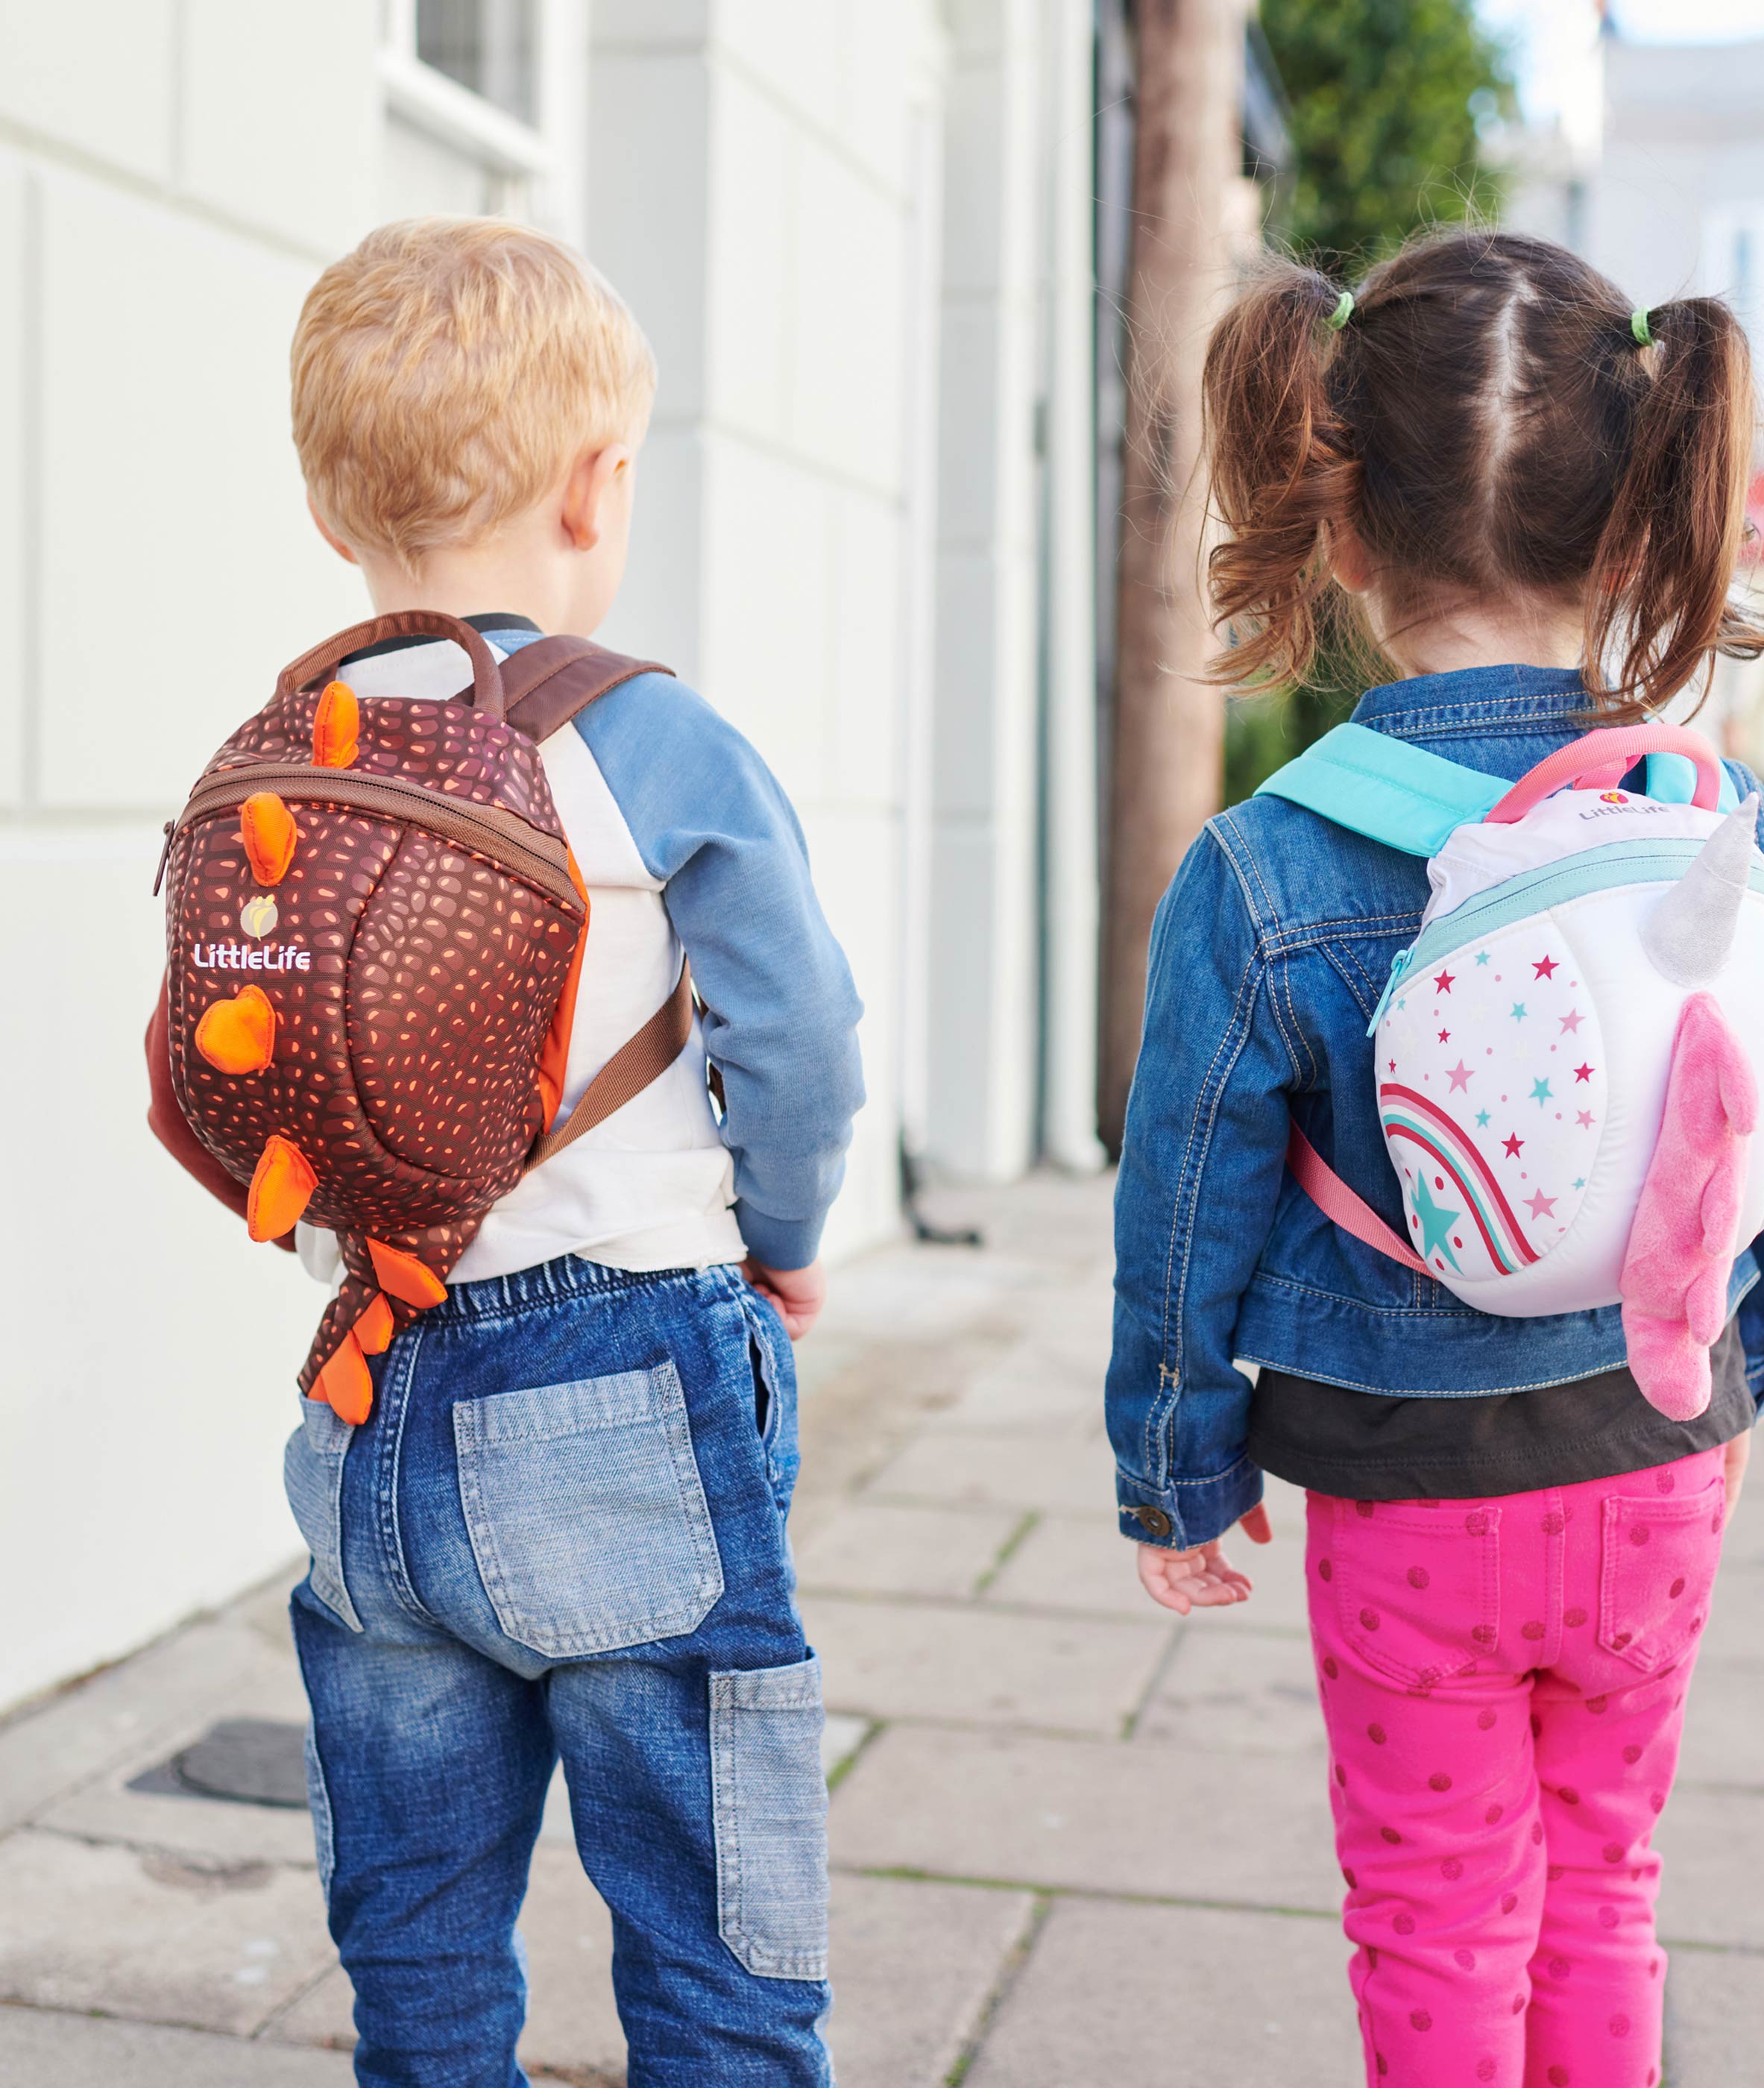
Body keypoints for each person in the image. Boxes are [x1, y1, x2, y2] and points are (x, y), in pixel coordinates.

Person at [1106, 229, 1764, 2087]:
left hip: (1404, 1490)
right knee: (1605, 1877)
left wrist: (1176, 1461)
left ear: (1336, 522)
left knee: (1435, 1900)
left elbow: (1182, 1193)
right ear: (1630, 529)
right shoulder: (1717, 829)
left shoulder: (1266, 867)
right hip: (1655, 1455)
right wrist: (1749, 1352)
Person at [283, 218, 863, 2086]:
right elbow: (800, 1036)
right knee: (716, 1935)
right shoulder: (651, 739)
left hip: (364, 1396)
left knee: (422, 1949)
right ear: (598, 487)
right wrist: (779, 1228)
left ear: (327, 505)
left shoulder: (290, 753)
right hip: (623, 1371)